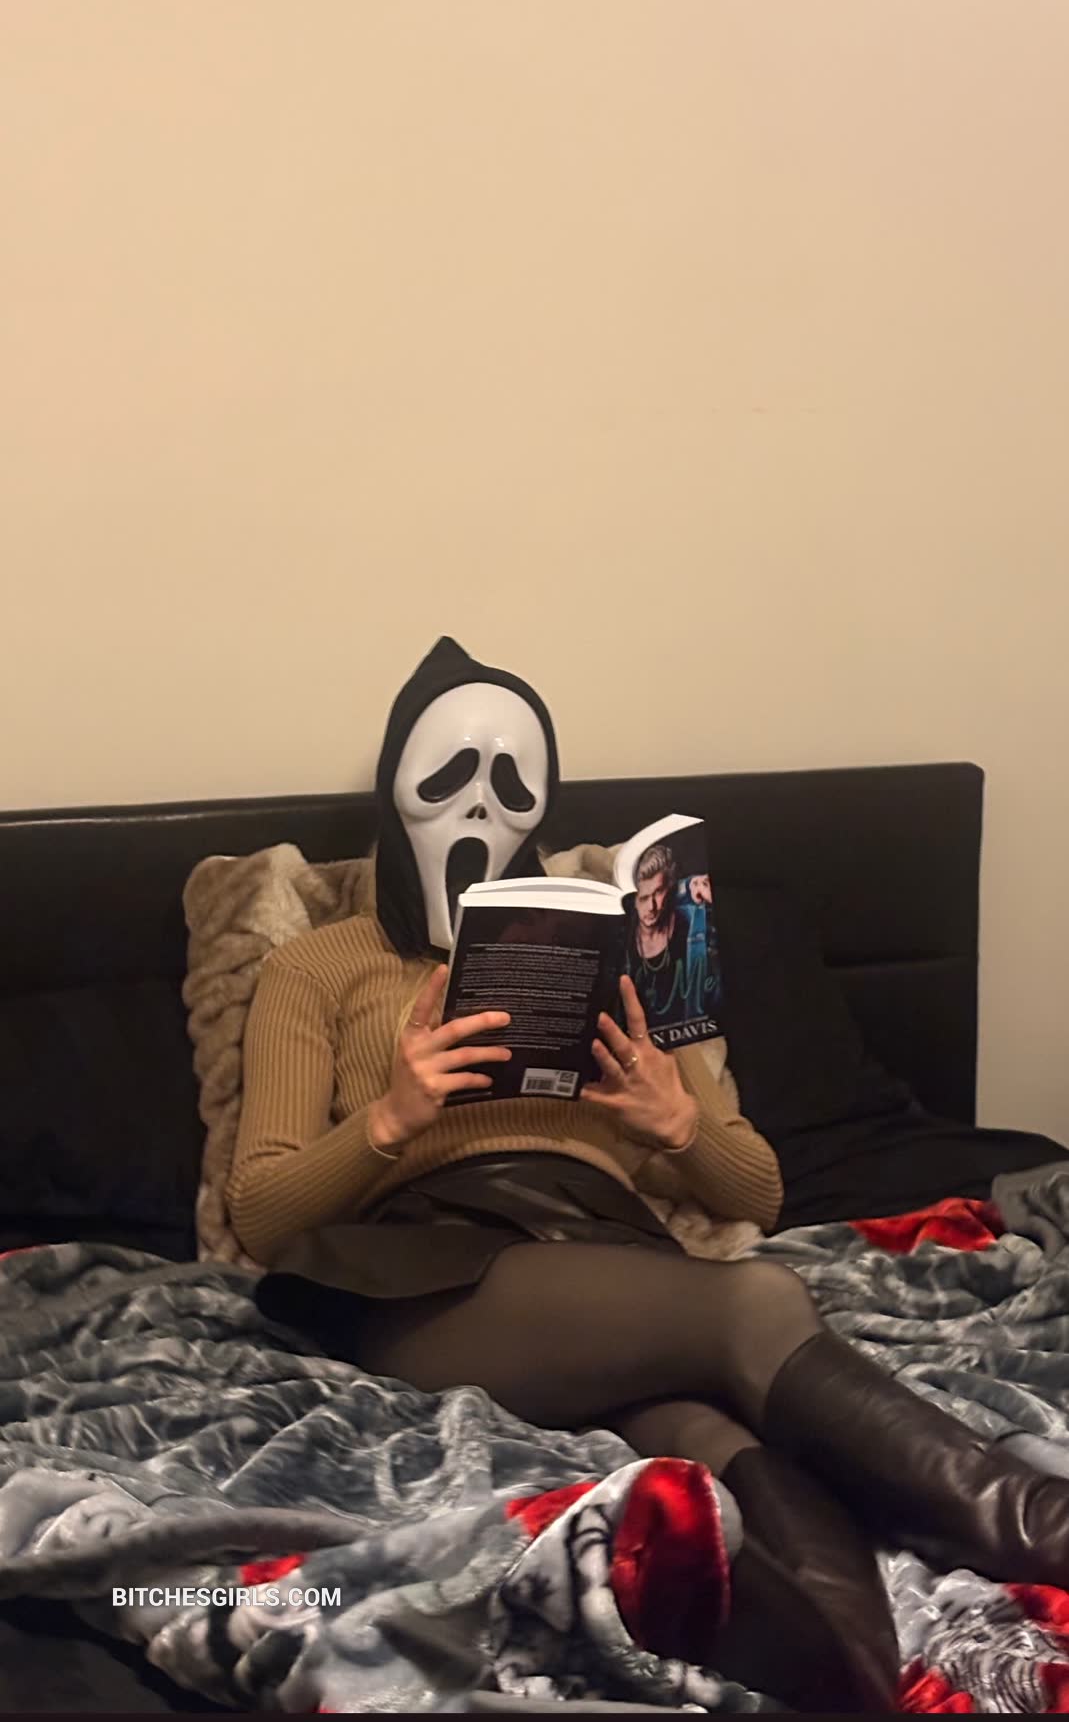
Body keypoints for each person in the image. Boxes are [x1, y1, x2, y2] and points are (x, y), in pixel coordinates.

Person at [230, 638, 1069, 1715]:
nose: (478, 804)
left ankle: (851, 1678)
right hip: (426, 1265)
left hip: (607, 1252)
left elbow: (756, 1195)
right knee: (754, 1303)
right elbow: (261, 1211)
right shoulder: (321, 963)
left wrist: (676, 1125)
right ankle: (1040, 1522)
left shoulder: (620, 956)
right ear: (398, 784)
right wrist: (390, 1118)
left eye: (511, 779)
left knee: (716, 1440)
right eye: (448, 774)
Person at [628, 842, 716, 1028]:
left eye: (658, 892)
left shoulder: (692, 923)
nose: (652, 906)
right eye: (643, 897)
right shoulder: (622, 936)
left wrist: (696, 885)